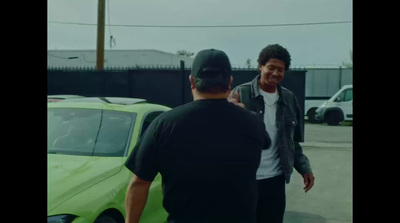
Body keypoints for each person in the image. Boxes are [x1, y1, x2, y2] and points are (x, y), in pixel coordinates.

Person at [124, 49, 271, 223]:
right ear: (230, 82)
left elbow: (139, 183)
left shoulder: (164, 124)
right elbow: (266, 142)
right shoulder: (253, 123)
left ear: (192, 81)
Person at [228, 44, 315, 223]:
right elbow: (224, 136)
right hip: (245, 180)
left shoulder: (289, 99)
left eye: (280, 70)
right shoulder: (240, 93)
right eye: (271, 67)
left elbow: (293, 142)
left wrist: (304, 168)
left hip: (275, 180)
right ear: (260, 66)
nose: (275, 73)